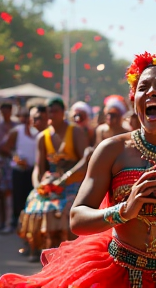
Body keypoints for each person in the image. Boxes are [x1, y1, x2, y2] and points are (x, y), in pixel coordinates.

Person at [0, 45, 156, 287]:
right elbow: (77, 217)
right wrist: (124, 211)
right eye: (143, 87)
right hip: (119, 277)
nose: (151, 92)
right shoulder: (111, 150)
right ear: (134, 100)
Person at [16, 97, 88, 262]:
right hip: (51, 182)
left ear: (63, 112)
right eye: (50, 111)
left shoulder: (74, 131)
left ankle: (70, 250)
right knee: (34, 204)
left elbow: (85, 161)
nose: (52, 114)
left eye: (56, 110)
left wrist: (65, 178)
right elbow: (38, 167)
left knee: (64, 208)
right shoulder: (43, 136)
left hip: (73, 181)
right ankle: (37, 247)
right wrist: (38, 185)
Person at [0, 107, 38, 228]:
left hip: (33, 171)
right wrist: (16, 158)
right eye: (24, 116)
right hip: (19, 171)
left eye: (28, 116)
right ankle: (16, 223)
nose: (26, 119)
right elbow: (5, 148)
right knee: (17, 199)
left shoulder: (37, 132)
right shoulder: (16, 131)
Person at [0, 103, 18, 234]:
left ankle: (11, 221)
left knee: (11, 193)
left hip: (13, 163)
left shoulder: (16, 127)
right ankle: (3, 221)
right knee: (2, 193)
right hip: (2, 164)